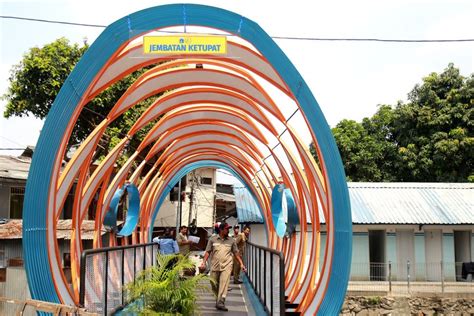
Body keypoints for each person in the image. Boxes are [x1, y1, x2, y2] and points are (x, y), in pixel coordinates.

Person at [200, 222, 247, 311]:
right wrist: (203, 262)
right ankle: (218, 299)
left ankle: (221, 302)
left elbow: (236, 253)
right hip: (215, 266)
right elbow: (207, 252)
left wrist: (241, 264)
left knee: (224, 283)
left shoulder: (231, 240)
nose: (228, 230)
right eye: (226, 229)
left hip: (227, 265)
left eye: (228, 228)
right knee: (213, 284)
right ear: (221, 230)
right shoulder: (212, 239)